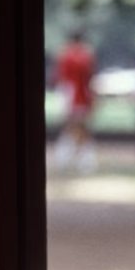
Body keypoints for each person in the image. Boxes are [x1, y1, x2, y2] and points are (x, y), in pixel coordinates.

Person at [54, 27, 96, 172]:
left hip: (71, 95)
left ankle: (66, 158)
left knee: (71, 127)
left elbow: (62, 80)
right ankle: (81, 160)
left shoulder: (65, 55)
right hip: (79, 96)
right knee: (80, 128)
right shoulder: (84, 56)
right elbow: (87, 80)